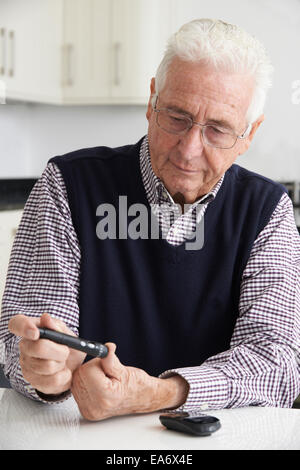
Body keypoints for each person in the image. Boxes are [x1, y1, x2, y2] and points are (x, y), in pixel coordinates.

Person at [0, 19, 299, 421]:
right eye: (177, 117)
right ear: (152, 100)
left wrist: (161, 393)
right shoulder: (67, 186)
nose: (189, 149)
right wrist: (44, 373)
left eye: (217, 130)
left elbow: (277, 365)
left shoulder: (267, 211)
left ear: (249, 134)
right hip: (78, 434)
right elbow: (20, 344)